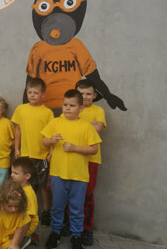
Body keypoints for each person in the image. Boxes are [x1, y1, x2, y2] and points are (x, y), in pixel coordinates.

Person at [42, 89, 101, 249]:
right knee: (57, 206)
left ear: (81, 108)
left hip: (79, 176)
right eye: (65, 104)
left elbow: (93, 149)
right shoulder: (55, 123)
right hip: (57, 174)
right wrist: (50, 140)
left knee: (76, 207)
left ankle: (76, 235)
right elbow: (44, 141)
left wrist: (75, 148)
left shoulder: (86, 127)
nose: (67, 108)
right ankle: (55, 232)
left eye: (72, 105)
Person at [11, 77, 54, 226]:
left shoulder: (48, 113)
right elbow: (18, 129)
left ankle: (46, 212)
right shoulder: (21, 109)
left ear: (43, 95)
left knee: (43, 186)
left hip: (42, 156)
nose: (32, 95)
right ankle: (24, 209)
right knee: (24, 185)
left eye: (36, 92)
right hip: (25, 155)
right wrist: (17, 148)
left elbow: (51, 135)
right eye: (29, 92)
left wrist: (50, 153)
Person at [75, 79, 106, 246]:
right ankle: (70, 225)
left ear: (94, 95)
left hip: (91, 159)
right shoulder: (71, 108)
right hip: (71, 158)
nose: (85, 97)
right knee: (69, 193)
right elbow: (62, 127)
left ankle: (86, 228)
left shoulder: (98, 110)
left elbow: (98, 127)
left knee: (87, 195)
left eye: (88, 94)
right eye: (81, 94)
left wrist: (76, 127)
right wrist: (88, 126)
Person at [0, 181, 30, 249]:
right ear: (1, 202)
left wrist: (14, 243)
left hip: (7, 240)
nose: (14, 209)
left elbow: (20, 227)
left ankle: (19, 242)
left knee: (27, 220)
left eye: (17, 206)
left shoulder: (19, 211)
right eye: (10, 206)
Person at [11, 157, 39, 248]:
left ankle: (23, 240)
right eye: (12, 172)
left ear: (27, 176)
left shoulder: (29, 194)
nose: (12, 175)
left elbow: (28, 219)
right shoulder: (17, 185)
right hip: (18, 217)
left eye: (16, 173)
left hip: (26, 225)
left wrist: (21, 235)